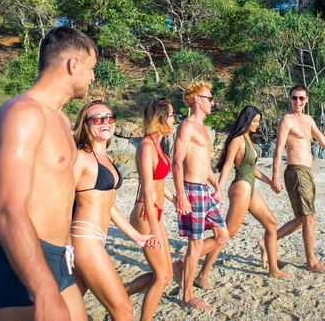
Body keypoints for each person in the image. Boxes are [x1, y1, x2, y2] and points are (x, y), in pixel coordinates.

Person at [0, 26, 97, 321]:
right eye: (92, 68)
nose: (93, 77)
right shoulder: (23, 114)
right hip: (23, 263)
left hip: (58, 258)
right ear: (74, 64)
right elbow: (8, 210)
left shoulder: (59, 117)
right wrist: (44, 291)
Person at [70, 100, 159, 321]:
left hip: (97, 238)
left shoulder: (106, 157)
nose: (105, 122)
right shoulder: (81, 157)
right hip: (84, 237)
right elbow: (60, 201)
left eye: (110, 117)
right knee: (123, 310)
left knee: (67, 308)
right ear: (85, 123)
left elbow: (108, 205)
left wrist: (137, 237)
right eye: (98, 119)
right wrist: (62, 246)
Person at [195, 105, 293, 286]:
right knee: (226, 234)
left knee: (271, 223)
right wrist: (219, 188)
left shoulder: (248, 139)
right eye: (254, 121)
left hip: (250, 188)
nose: (257, 125)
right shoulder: (237, 140)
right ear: (246, 120)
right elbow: (227, 165)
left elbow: (252, 169)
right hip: (240, 188)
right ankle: (200, 274)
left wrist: (270, 182)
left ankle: (273, 269)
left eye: (258, 121)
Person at [268, 84, 325, 274]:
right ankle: (312, 263)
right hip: (296, 171)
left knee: (303, 218)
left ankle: (267, 241)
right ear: (289, 99)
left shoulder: (308, 120)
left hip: (307, 172)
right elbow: (278, 150)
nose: (297, 101)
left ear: (307, 99)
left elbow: (323, 142)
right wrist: (274, 176)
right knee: (309, 217)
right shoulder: (287, 121)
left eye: (301, 98)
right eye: (294, 98)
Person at [173, 81, 230, 311]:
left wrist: (216, 185)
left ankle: (182, 264)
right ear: (197, 99)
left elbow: (204, 164)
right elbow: (177, 162)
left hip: (205, 190)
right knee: (195, 245)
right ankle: (187, 296)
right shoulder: (187, 126)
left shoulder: (204, 129)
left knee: (222, 235)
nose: (212, 102)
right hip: (191, 190)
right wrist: (181, 196)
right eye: (209, 98)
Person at [124, 99, 178, 321]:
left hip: (155, 213)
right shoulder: (146, 146)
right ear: (161, 118)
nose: (175, 118)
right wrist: (155, 228)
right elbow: (147, 189)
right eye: (173, 115)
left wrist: (174, 199)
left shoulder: (157, 143)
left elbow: (159, 183)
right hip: (146, 214)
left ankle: (117, 292)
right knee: (163, 275)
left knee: (166, 273)